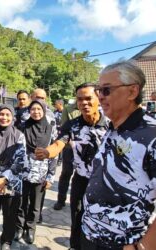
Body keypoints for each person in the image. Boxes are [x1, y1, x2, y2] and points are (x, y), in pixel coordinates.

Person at [81, 61, 156, 250]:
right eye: (98, 91)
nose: (100, 97)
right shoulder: (113, 128)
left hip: (124, 244)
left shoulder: (150, 135)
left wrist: (144, 246)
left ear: (132, 92)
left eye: (106, 90)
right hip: (91, 235)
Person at [36, 82, 109, 250]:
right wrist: (47, 152)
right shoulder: (72, 125)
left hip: (106, 182)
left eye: (88, 98)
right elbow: (59, 143)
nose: (84, 103)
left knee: (102, 218)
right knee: (77, 215)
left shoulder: (111, 123)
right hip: (81, 179)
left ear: (98, 98)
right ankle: (75, 246)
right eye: (80, 99)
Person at [0, 104, 27, 250]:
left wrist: (5, 179)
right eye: (1, 114)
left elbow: (20, 159)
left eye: (8, 114)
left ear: (13, 116)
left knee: (10, 214)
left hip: (11, 181)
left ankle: (6, 240)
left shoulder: (19, 135)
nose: (4, 117)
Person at [15, 99, 56, 244]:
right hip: (23, 170)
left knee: (35, 203)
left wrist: (51, 175)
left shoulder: (51, 128)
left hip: (41, 171)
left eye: (39, 109)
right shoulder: (23, 126)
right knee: (21, 202)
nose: (36, 112)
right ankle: (19, 227)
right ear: (29, 111)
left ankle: (30, 229)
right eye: (33, 109)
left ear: (44, 110)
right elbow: (17, 148)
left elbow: (54, 152)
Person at [30, 88, 57, 223]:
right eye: (37, 97)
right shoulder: (24, 115)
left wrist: (51, 172)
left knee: (38, 195)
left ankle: (36, 215)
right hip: (26, 165)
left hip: (42, 164)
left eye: (43, 98)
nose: (40, 100)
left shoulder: (51, 115)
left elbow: (54, 143)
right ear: (32, 97)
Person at [53, 102, 81, 211]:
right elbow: (64, 128)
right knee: (66, 173)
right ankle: (61, 200)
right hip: (70, 147)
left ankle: (80, 202)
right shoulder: (68, 109)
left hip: (87, 150)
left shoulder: (99, 108)